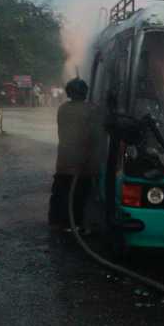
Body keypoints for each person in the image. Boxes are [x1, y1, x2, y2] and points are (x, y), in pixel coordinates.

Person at [49, 78, 100, 232]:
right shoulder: (91, 110)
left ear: (69, 93)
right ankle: (76, 224)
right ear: (85, 93)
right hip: (83, 164)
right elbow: (94, 136)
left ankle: (57, 221)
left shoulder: (63, 109)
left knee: (60, 192)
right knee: (80, 194)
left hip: (64, 161)